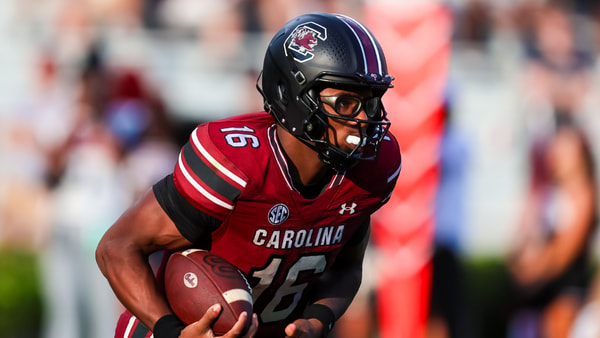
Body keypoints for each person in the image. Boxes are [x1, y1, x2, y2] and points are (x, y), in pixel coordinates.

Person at [96, 12, 401, 338]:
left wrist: (318, 320)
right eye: (344, 103)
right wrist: (171, 331)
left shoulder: (370, 170)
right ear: (290, 95)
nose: (363, 120)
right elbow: (116, 247)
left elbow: (347, 266)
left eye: (371, 103)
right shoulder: (237, 164)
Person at [506, 121, 598, 338]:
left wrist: (533, 268)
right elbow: (519, 242)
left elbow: (564, 253)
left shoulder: (584, 194)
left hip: (566, 292)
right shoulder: (546, 192)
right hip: (536, 294)